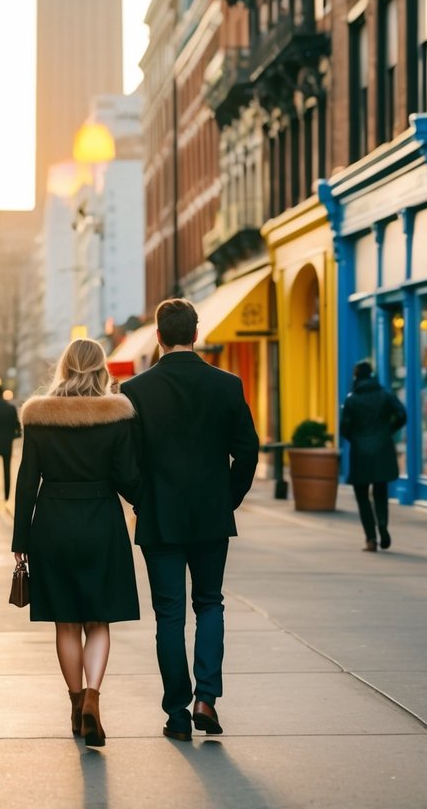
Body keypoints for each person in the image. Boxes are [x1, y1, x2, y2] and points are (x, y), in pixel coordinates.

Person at [122, 297, 259, 742]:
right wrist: (228, 498)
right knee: (210, 603)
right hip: (210, 515)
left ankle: (177, 713)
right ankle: (207, 698)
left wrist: (144, 499)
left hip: (160, 517)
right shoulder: (228, 385)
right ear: (195, 333)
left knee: (169, 617)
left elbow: (126, 463)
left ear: (158, 336)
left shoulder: (136, 392)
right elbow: (248, 450)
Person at [12, 338, 140, 748]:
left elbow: (27, 480)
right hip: (102, 521)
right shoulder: (116, 415)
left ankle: (74, 703)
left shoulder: (39, 416)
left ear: (64, 367)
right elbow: (127, 478)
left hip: (52, 523)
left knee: (66, 621)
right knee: (98, 620)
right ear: (101, 368)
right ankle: (93, 699)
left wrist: (20, 540)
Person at [340, 360, 407, 552]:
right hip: (382, 449)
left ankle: (370, 538)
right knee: (380, 490)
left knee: (362, 496)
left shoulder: (352, 399)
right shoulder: (385, 394)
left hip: (360, 451)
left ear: (356, 377)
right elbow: (402, 414)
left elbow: (344, 428)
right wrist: (388, 431)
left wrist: (356, 437)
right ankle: (383, 526)